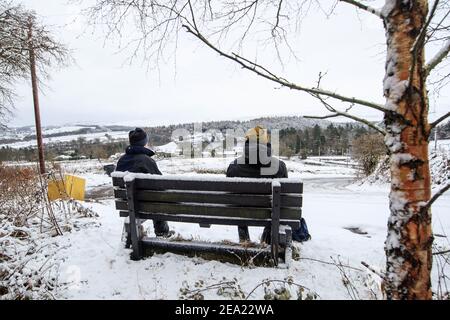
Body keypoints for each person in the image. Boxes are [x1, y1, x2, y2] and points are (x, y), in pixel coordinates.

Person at [226, 126, 288, 244]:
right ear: (267, 141)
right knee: (275, 207)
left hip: (242, 212)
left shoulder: (234, 166)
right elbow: (284, 198)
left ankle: (244, 241)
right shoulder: (280, 167)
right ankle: (266, 241)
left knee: (238, 205)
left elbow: (230, 196)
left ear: (247, 141)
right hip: (270, 212)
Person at [116, 128, 171, 237]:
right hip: (147, 204)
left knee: (151, 200)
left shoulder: (122, 160)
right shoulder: (146, 160)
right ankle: (162, 233)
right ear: (144, 143)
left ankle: (131, 237)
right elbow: (161, 184)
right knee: (157, 202)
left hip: (127, 204)